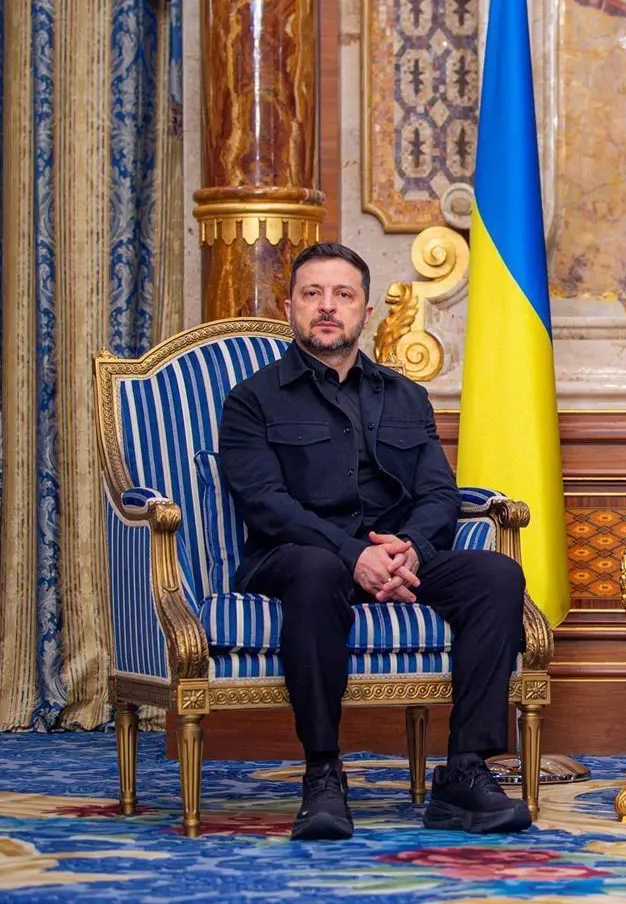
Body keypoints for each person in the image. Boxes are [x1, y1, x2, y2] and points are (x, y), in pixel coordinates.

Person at [219, 241, 532, 840]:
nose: (327, 306)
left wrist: (409, 548)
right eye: (312, 294)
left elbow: (439, 493)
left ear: (365, 312)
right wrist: (352, 555)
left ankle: (465, 771)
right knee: (316, 570)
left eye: (343, 295)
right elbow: (265, 504)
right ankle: (323, 774)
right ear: (289, 307)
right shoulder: (252, 400)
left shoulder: (405, 396)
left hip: (394, 557)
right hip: (295, 557)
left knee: (496, 574)